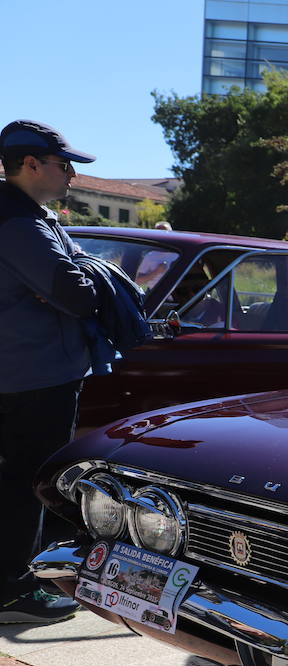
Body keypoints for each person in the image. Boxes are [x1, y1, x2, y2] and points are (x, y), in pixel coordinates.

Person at [0, 120, 100, 625]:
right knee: (28, 480)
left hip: (19, 369)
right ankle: (15, 592)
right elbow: (78, 294)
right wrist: (77, 280)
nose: (71, 177)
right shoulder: (20, 222)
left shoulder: (23, 217)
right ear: (31, 164)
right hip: (32, 376)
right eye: (65, 166)